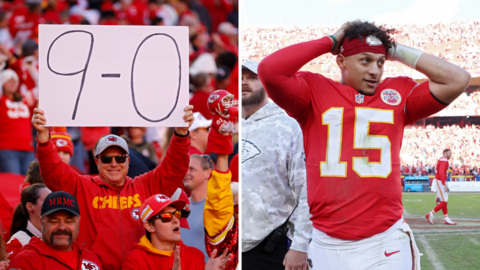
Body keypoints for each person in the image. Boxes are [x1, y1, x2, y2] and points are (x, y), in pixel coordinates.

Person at [257, 20, 470, 269]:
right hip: (327, 242)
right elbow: (269, 70)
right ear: (341, 61)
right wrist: (332, 41)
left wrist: (394, 50)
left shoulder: (397, 93)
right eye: (365, 60)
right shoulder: (313, 91)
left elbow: (458, 79)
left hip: (384, 240)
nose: (375, 71)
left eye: (380, 62)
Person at [31, 105, 194, 270]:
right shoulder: (81, 186)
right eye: (107, 158)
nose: (114, 164)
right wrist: (44, 137)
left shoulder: (145, 184)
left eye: (120, 158)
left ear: (128, 162)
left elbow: (174, 168)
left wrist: (181, 134)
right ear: (97, 162)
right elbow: (54, 172)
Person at [241, 60, 312, 270]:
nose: (245, 83)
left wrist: (300, 245)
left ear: (267, 85)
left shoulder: (288, 126)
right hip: (231, 241)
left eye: (252, 78)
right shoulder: (230, 125)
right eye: (241, 78)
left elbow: (306, 190)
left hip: (270, 245)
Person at [122, 194, 231, 270]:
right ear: (150, 226)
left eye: (177, 214)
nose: (176, 220)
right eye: (167, 216)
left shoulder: (195, 256)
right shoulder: (134, 260)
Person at [9, 191, 103, 269]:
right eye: (54, 221)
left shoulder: (90, 258)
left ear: (78, 222)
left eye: (69, 221)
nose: (62, 227)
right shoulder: (25, 260)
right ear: (42, 222)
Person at [0, 69, 35, 175]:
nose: (13, 83)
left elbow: (41, 87)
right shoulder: (1, 99)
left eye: (14, 80)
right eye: (8, 81)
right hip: (8, 149)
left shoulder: (25, 98)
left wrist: (32, 69)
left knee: (29, 186)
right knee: (14, 184)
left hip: (28, 148)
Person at [181, 154, 214, 261]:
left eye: (192, 169)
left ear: (207, 173)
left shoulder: (216, 207)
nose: (186, 173)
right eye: (185, 168)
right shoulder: (179, 206)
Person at [6, 184, 51, 260]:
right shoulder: (18, 242)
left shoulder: (60, 236)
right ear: (30, 207)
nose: (54, 205)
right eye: (48, 201)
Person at [426, 149, 457, 225]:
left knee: (444, 200)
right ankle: (430, 214)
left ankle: (446, 218)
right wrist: (444, 184)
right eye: (449, 153)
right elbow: (441, 172)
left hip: (439, 181)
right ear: (445, 153)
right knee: (444, 201)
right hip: (440, 181)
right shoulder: (444, 160)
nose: (450, 155)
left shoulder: (443, 159)